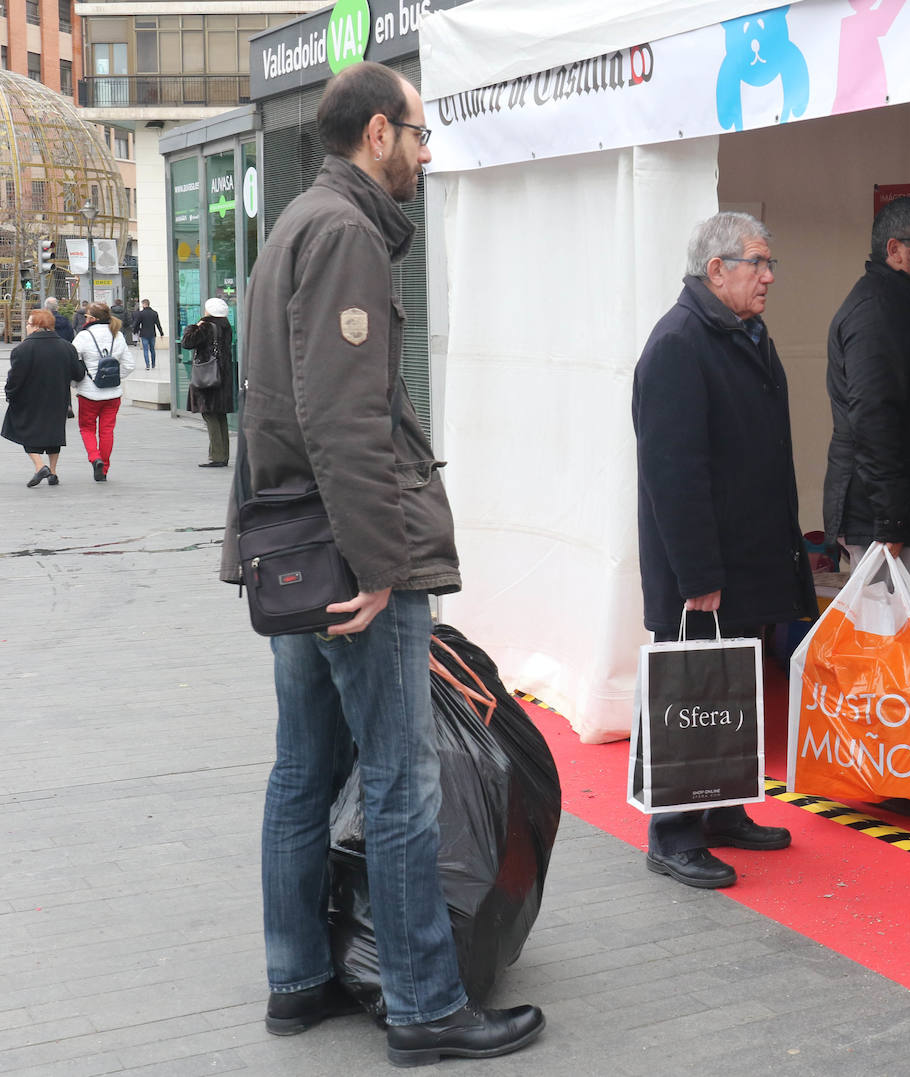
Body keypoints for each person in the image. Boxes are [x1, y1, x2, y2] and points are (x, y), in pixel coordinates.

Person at [218, 61, 543, 1065]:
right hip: (347, 556)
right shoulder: (349, 233)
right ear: (375, 135)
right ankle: (424, 1005)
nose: (427, 150)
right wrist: (377, 564)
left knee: (304, 772)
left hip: (292, 548)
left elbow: (274, 408)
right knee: (400, 781)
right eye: (418, 131)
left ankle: (298, 981)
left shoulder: (296, 225)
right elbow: (343, 418)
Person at [633, 210, 818, 890]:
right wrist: (699, 572)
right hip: (703, 569)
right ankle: (673, 834)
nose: (769, 275)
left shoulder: (742, 332)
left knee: (731, 689)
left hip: (745, 557)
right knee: (689, 696)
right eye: (758, 262)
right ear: (717, 270)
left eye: (770, 263)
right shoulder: (679, 342)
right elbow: (672, 472)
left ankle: (722, 810)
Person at [823, 195, 910, 603]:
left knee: (901, 646)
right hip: (882, 521)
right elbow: (873, 419)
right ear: (895, 250)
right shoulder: (877, 313)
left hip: (900, 513)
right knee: (887, 651)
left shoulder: (906, 307)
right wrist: (890, 523)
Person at [3, 308, 85, 486]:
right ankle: (53, 473)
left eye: (28, 323)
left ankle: (40, 466)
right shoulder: (67, 347)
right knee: (54, 432)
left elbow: (15, 378)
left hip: (29, 399)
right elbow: (78, 374)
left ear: (36, 326)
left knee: (21, 428)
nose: (26, 326)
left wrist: (10, 394)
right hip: (57, 398)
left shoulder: (22, 349)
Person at [73, 301, 136, 482]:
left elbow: (73, 361)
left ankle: (95, 458)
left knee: (87, 428)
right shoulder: (117, 334)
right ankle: (105, 468)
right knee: (107, 431)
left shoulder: (84, 336)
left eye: (86, 316)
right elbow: (130, 365)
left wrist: (77, 382)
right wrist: (116, 377)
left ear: (92, 318)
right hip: (113, 393)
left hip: (88, 392)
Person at [181, 298, 234, 466]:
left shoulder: (206, 326)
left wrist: (193, 327)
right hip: (222, 374)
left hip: (208, 376)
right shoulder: (225, 326)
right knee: (220, 415)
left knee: (210, 414)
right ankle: (223, 454)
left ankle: (217, 456)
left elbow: (187, 342)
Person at [132, 299, 165, 370]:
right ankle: (153, 364)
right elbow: (158, 324)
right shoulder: (154, 313)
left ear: (144, 304)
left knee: (145, 350)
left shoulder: (141, 313)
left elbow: (137, 323)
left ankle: (147, 365)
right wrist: (161, 333)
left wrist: (135, 330)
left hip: (144, 334)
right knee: (152, 349)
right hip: (152, 334)